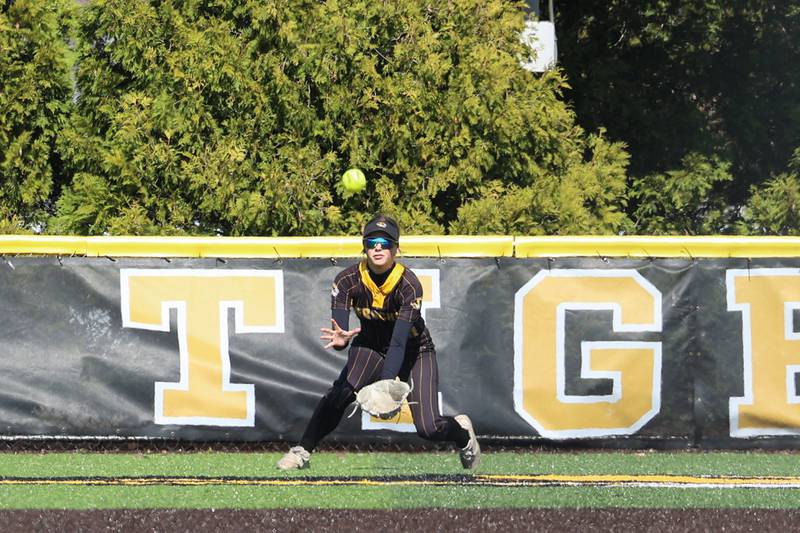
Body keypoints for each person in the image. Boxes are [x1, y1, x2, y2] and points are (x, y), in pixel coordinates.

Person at [277, 214, 480, 470]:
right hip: (370, 344)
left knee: (429, 427)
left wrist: (386, 384)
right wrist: (340, 342)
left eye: (385, 242)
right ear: (364, 245)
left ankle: (463, 435)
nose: (378, 247)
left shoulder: (408, 284)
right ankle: (302, 451)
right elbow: (339, 334)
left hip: (413, 349)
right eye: (372, 241)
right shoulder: (347, 280)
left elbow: (398, 340)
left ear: (396, 247)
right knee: (339, 394)